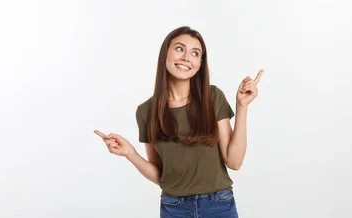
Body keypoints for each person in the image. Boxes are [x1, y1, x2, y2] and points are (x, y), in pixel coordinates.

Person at [94, 26, 263, 218]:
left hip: (218, 205)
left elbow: (234, 162)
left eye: (195, 53)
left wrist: (242, 106)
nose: (186, 58)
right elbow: (161, 175)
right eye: (179, 48)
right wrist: (130, 154)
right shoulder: (146, 111)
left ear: (200, 63)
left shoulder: (213, 97)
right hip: (173, 208)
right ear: (166, 52)